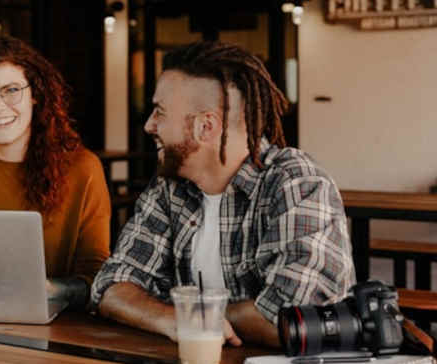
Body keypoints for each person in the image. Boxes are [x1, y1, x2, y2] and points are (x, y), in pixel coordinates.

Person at [90, 41, 355, 347]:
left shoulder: (297, 183)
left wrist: (189, 316)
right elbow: (111, 287)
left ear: (206, 127)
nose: (149, 124)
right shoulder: (170, 186)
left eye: (160, 112)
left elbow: (292, 318)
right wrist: (170, 319)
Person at [0, 36, 111, 308]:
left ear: (36, 94)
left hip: (55, 327)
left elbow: (97, 275)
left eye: (11, 90)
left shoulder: (83, 168)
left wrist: (49, 289)